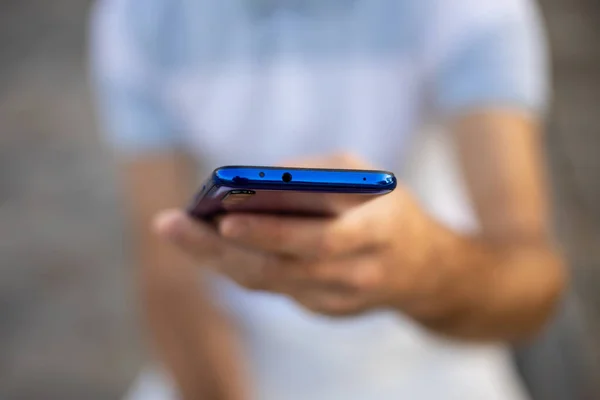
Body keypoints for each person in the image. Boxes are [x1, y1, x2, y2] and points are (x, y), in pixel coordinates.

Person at [90, 0, 567, 399]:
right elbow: (167, 271)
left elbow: (531, 279)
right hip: (227, 364)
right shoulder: (140, 13)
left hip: (432, 366)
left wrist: (421, 272)